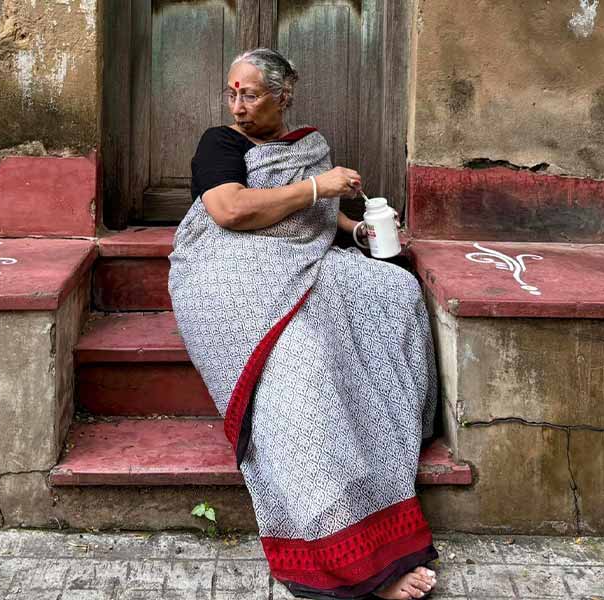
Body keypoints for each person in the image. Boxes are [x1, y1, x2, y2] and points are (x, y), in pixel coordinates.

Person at [168, 48, 439, 600]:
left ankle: (393, 422)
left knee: (395, 289)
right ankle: (342, 549)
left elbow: (315, 218)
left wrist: (354, 231)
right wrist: (321, 186)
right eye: (232, 93)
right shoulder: (220, 143)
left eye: (250, 94)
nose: (238, 106)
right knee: (305, 369)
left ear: (282, 96)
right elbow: (231, 212)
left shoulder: (309, 148)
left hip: (302, 263)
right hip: (228, 274)